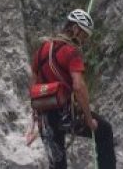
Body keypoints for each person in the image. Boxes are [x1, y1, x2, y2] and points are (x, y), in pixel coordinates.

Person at [29, 9, 116, 169]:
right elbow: (78, 86)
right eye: (83, 35)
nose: (84, 41)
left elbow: (34, 84)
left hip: (46, 117)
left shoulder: (41, 50)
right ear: (75, 28)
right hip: (66, 114)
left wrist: (35, 118)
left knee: (57, 164)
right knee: (104, 131)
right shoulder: (71, 51)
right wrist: (89, 119)